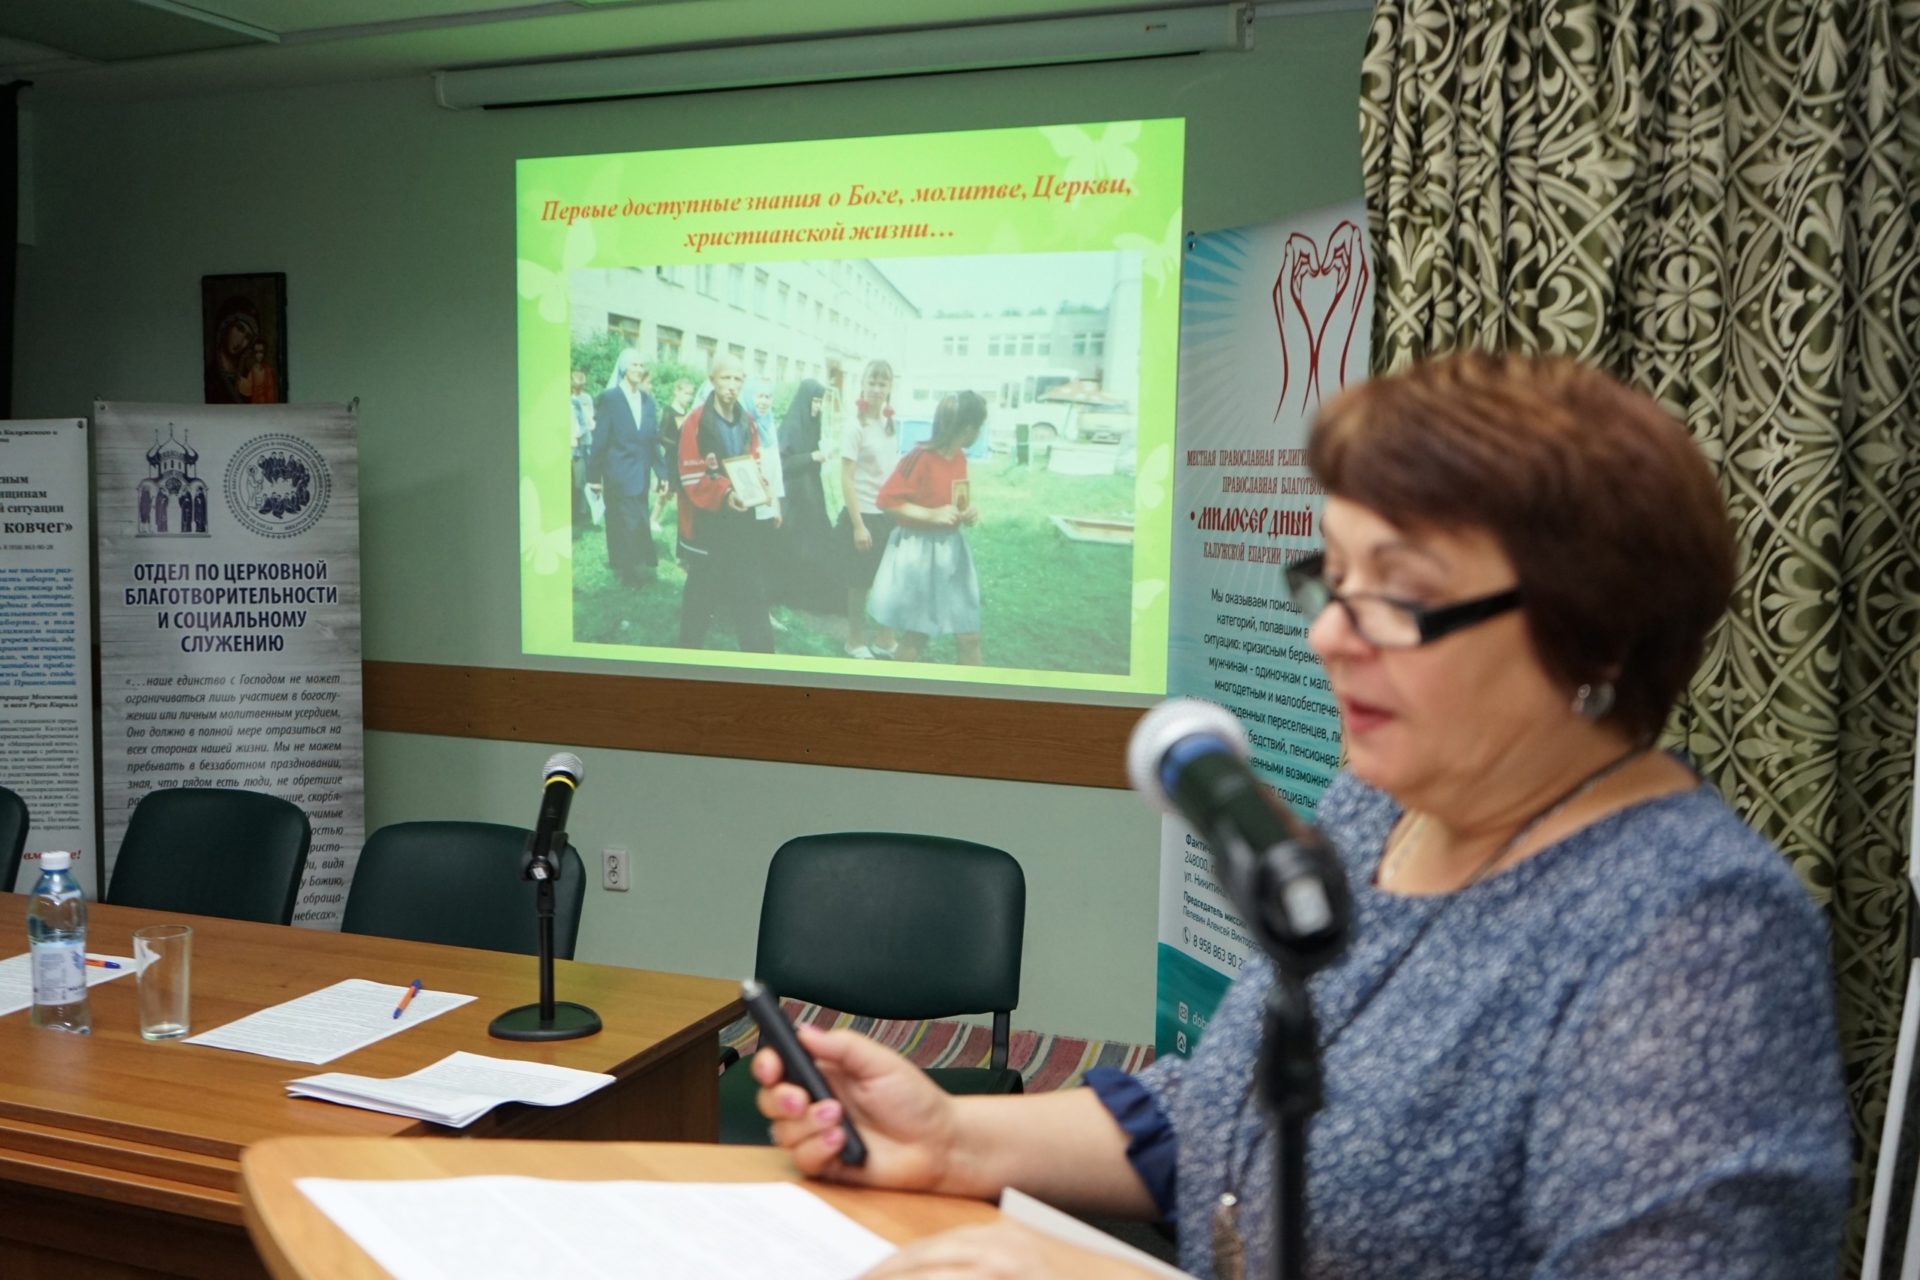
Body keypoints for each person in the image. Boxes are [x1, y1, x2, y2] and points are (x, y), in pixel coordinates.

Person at [754, 353, 1852, 1278]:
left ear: (1597, 634)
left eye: (1401, 593)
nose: (1328, 633)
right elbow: (1233, 1111)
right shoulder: (1383, 807)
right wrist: (955, 1136)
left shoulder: (1697, 936)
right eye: (1332, 578)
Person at [868, 391, 985, 664]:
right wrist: (931, 515)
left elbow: (952, 501)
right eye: (979, 427)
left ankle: (976, 690)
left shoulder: (960, 458)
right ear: (969, 429)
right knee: (918, 635)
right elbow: (886, 500)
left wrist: (966, 513)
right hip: (922, 553)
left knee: (970, 636)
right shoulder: (919, 457)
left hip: (952, 552)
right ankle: (896, 688)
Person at [677, 352, 774, 652]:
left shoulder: (747, 422)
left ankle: (761, 662)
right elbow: (691, 474)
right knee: (700, 595)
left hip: (742, 523)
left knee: (752, 593)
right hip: (709, 524)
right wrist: (726, 493)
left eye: (737, 379)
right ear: (712, 380)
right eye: (725, 378)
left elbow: (754, 461)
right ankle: (686, 658)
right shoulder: (696, 421)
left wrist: (760, 486)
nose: (732, 385)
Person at [837, 358, 901, 659]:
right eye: (872, 382)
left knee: (888, 579)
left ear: (889, 388)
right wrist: (858, 525)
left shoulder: (889, 425)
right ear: (863, 385)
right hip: (862, 515)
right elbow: (846, 479)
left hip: (887, 514)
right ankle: (854, 640)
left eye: (882, 383)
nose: (877, 389)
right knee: (859, 582)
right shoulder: (855, 426)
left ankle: (885, 639)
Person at [588, 348, 665, 588]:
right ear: (623, 368)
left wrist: (662, 474)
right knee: (625, 523)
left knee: (637, 522)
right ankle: (628, 573)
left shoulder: (647, 401)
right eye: (634, 365)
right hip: (617, 473)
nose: (639, 370)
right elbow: (600, 440)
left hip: (640, 474)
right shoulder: (610, 398)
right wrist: (593, 477)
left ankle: (631, 564)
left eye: (642, 365)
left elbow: (652, 440)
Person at [773, 377, 839, 613]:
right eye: (814, 401)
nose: (818, 406)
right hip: (792, 496)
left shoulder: (812, 424)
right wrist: (812, 457)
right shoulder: (791, 426)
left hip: (810, 491)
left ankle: (811, 597)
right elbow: (782, 464)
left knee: (817, 542)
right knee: (794, 545)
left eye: (820, 402)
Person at [654, 377, 695, 534]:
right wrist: (677, 445)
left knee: (683, 491)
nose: (689, 397)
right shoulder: (668, 411)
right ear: (676, 392)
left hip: (684, 459)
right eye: (686, 393)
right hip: (671, 459)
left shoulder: (688, 412)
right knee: (665, 492)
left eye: (691, 394)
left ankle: (685, 520)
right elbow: (661, 436)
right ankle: (653, 519)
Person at [569, 368, 597, 536]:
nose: (579, 389)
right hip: (573, 444)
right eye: (577, 386)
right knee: (576, 479)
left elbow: (591, 419)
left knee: (585, 478)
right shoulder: (567, 400)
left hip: (586, 442)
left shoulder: (587, 398)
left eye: (582, 386)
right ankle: (574, 512)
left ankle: (584, 511)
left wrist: (588, 424)